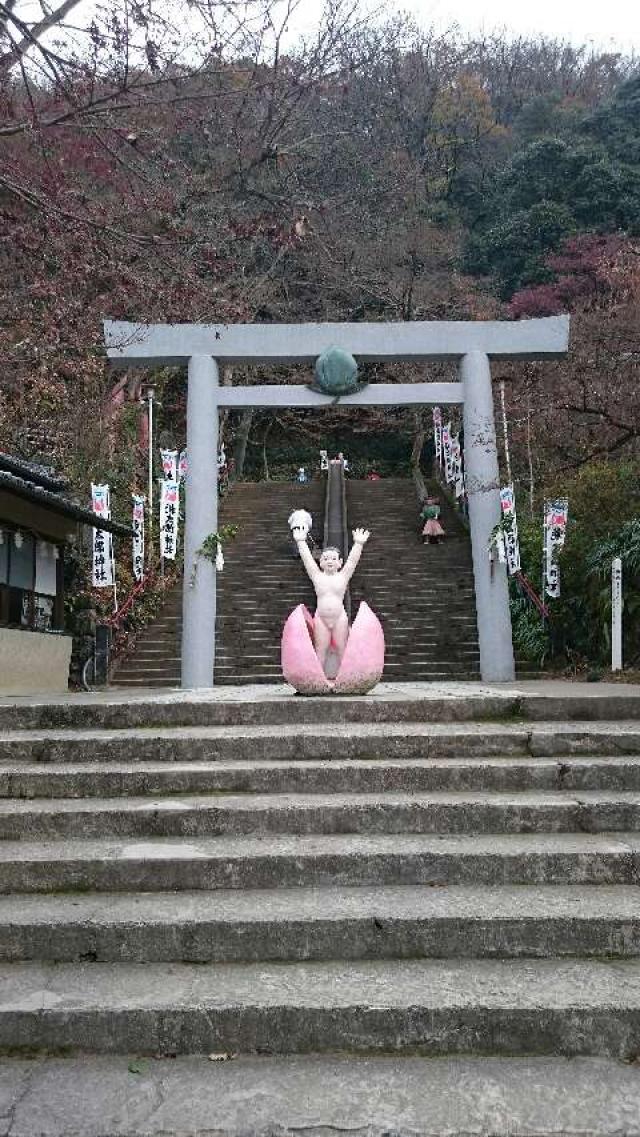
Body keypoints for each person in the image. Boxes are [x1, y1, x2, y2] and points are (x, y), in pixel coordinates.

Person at [291, 517, 370, 673]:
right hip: (321, 618)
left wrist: (358, 544)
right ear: (320, 562)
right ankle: (319, 679)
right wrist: (301, 541)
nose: (329, 561)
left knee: (343, 649)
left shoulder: (343, 576)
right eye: (325, 558)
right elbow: (307, 560)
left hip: (339, 617)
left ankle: (345, 678)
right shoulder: (317, 576)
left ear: (340, 562)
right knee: (320, 650)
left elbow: (352, 562)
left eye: (333, 559)